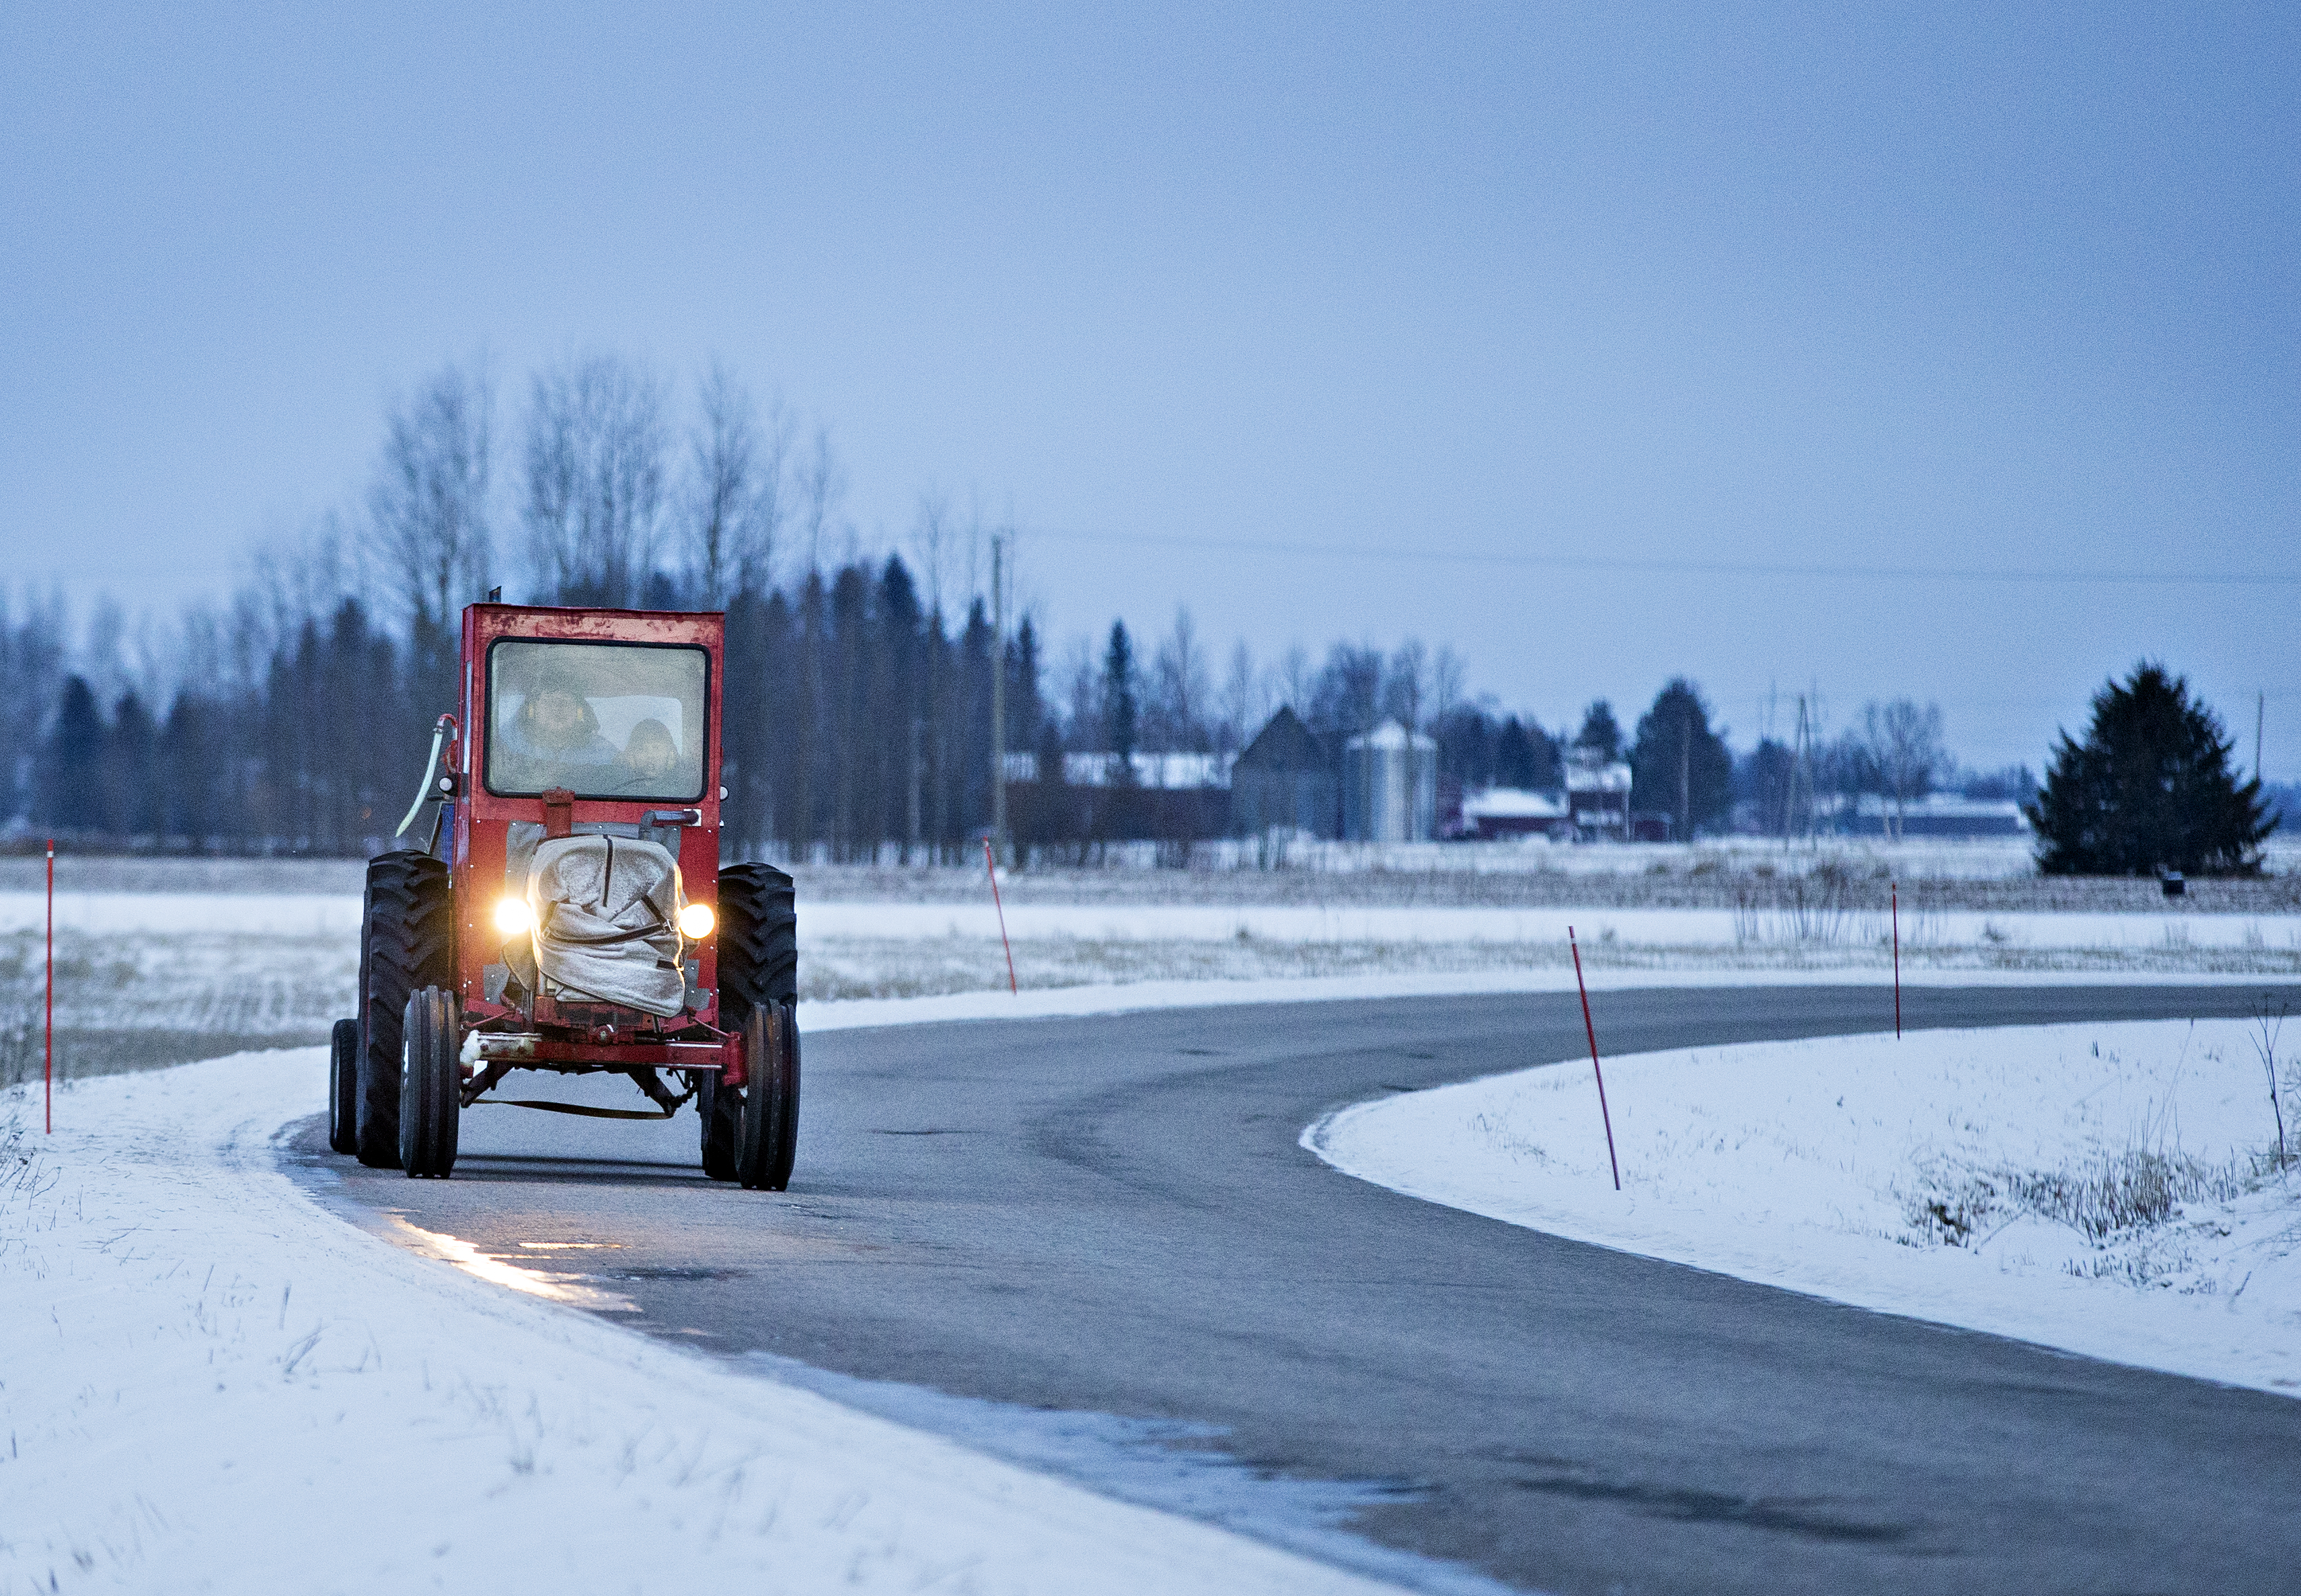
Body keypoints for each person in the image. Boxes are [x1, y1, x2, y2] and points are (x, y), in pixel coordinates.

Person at [493, 669, 619, 791]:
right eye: (548, 701)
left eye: (566, 701)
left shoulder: (602, 751)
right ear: (532, 708)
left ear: (579, 712)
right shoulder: (506, 743)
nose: (557, 708)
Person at [608, 718, 681, 795]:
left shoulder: (683, 789)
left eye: (656, 748)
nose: (650, 755)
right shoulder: (618, 787)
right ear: (631, 755)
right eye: (642, 749)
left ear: (670, 754)